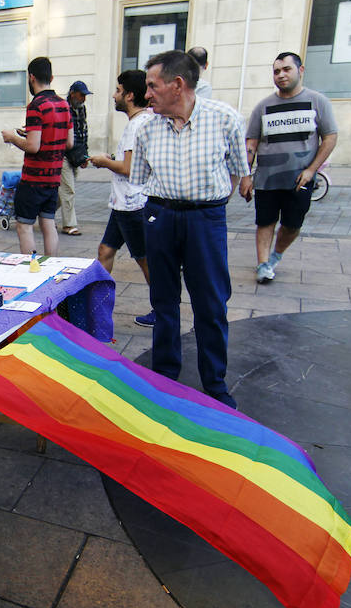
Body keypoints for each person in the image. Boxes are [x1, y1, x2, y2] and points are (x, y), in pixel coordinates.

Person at [131, 50, 250, 409]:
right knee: (163, 302)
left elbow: (237, 170)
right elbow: (139, 179)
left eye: (152, 86)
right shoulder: (147, 127)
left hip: (206, 220)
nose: (146, 93)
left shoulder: (225, 119)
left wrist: (207, 205)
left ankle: (215, 385)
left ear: (177, 85)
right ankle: (165, 380)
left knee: (211, 304)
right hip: (160, 217)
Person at [240, 52, 338, 284]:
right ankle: (263, 264)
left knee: (292, 224)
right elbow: (251, 142)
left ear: (300, 71)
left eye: (286, 69)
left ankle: (276, 255)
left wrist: (312, 170)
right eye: (276, 71)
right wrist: (246, 175)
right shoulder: (263, 106)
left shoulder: (317, 101)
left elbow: (330, 138)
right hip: (267, 178)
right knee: (264, 222)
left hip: (299, 179)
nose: (281, 75)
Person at [89, 70, 156, 326]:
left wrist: (105, 162)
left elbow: (128, 168)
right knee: (105, 250)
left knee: (145, 261)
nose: (114, 95)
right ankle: (96, 305)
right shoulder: (143, 121)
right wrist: (110, 160)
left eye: (118, 91)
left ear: (129, 95)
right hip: (123, 204)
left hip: (131, 204)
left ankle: (163, 308)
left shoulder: (136, 124)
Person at [1, 57, 73, 257]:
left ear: (31, 77)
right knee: (48, 224)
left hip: (33, 180)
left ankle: (31, 270)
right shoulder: (64, 105)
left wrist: (13, 138)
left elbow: (33, 146)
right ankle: (50, 270)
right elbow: (69, 143)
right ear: (51, 77)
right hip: (53, 179)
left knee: (24, 226)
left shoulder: (36, 105)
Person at [57, 80, 91, 236]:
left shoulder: (81, 109)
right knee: (68, 189)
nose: (84, 98)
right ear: (72, 93)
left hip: (76, 154)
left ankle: (44, 212)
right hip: (63, 154)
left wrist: (85, 155)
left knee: (63, 191)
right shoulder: (63, 108)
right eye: (82, 95)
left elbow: (84, 132)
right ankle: (69, 225)